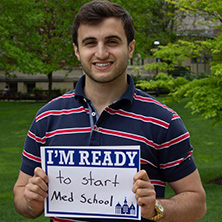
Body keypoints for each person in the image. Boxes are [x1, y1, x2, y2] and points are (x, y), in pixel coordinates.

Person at [13, 1, 206, 222]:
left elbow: (197, 202)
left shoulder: (163, 121)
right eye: (90, 43)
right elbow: (20, 192)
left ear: (130, 47)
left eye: (112, 42)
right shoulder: (47, 118)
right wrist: (30, 201)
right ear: (77, 50)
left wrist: (156, 208)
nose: (101, 53)